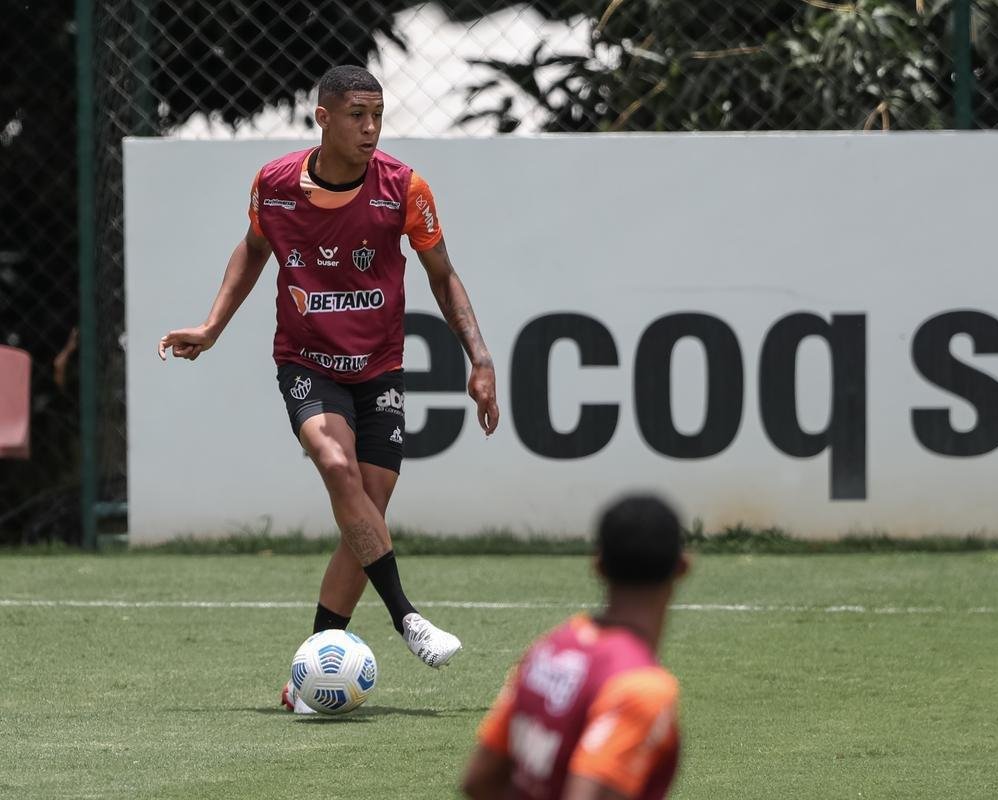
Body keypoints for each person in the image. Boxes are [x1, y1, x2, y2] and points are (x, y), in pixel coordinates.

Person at [157, 65, 499, 712]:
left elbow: (444, 276)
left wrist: (478, 359)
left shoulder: (405, 188)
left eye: (377, 115)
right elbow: (254, 249)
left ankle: (309, 676)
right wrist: (212, 326)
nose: (370, 128)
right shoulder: (277, 185)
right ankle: (407, 617)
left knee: (362, 515)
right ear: (323, 117)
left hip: (380, 369)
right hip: (307, 363)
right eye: (356, 115)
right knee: (337, 466)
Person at [461, 495, 687, 800]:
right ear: (682, 567)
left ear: (598, 565)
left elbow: (479, 780)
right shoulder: (641, 687)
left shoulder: (549, 649)